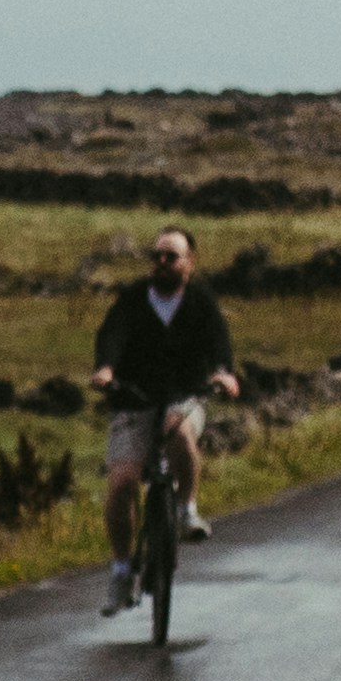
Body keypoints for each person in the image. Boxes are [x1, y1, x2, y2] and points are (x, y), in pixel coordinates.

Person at [89, 225, 241, 612]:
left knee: (178, 431)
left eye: (171, 256)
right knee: (122, 483)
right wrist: (106, 369)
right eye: (156, 255)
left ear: (189, 264)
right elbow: (112, 335)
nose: (161, 262)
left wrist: (223, 372)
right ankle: (122, 570)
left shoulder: (200, 302)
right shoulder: (133, 300)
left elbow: (218, 340)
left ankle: (186, 508)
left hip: (184, 396)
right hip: (134, 399)